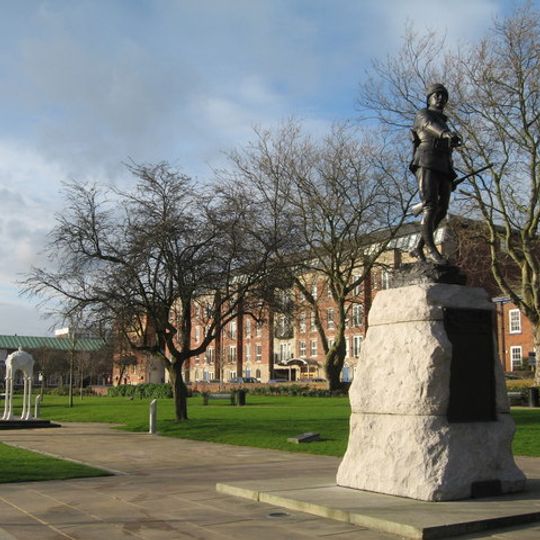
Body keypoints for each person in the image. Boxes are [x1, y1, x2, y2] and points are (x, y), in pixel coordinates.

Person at [409, 83, 461, 265]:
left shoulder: (444, 121)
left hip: (443, 167)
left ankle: (418, 247)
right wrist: (446, 133)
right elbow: (429, 126)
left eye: (443, 96)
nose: (440, 99)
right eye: (436, 95)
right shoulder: (424, 114)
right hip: (426, 161)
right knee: (430, 206)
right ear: (429, 98)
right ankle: (432, 250)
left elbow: (448, 153)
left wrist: (451, 175)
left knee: (442, 209)